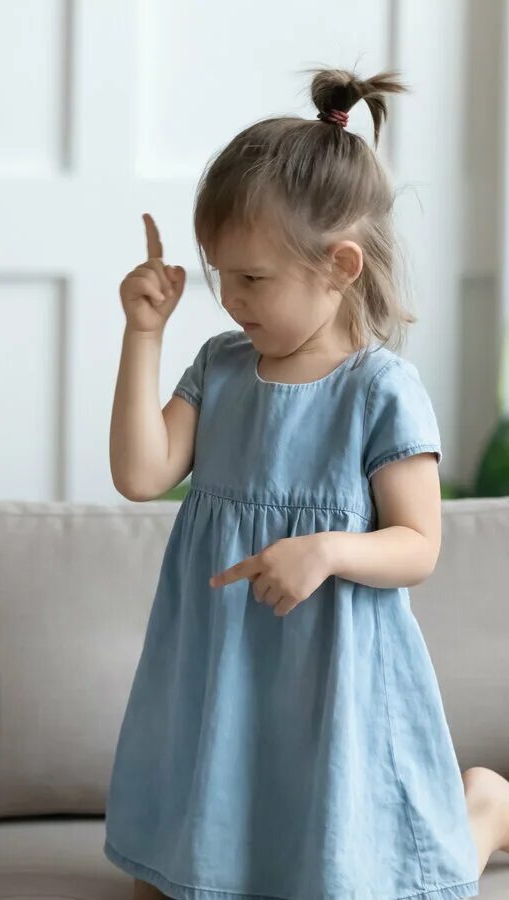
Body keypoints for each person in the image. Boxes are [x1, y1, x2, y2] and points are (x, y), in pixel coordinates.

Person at [104, 68, 509, 899]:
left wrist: (324, 549)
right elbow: (141, 473)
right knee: (181, 881)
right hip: (220, 657)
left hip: (331, 672)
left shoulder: (379, 390)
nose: (229, 298)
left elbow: (419, 545)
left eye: (252, 279)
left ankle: (484, 810)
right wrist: (143, 333)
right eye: (220, 274)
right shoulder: (219, 367)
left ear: (340, 265)